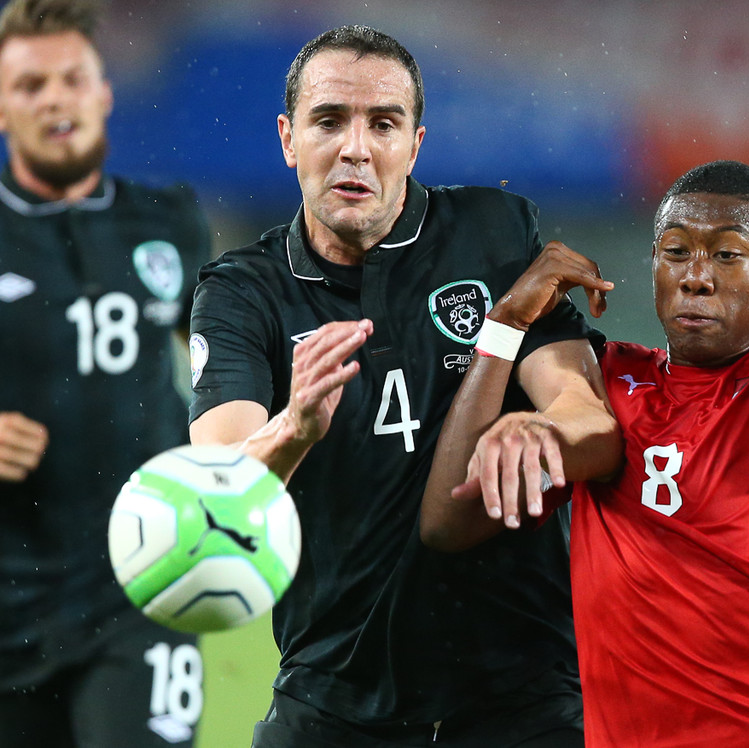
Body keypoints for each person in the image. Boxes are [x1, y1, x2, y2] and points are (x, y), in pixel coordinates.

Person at [187, 24, 621, 748]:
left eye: (383, 124)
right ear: (289, 139)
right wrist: (294, 427)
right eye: (329, 121)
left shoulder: (491, 233)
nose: (355, 148)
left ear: (415, 146)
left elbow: (583, 408)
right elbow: (218, 488)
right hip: (333, 697)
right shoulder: (243, 292)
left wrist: (541, 429)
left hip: (524, 698)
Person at [420, 156, 749, 747]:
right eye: (677, 252)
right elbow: (449, 521)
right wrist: (505, 324)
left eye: (727, 255)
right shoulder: (607, 381)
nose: (696, 277)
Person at [0, 0, 212, 746]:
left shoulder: (170, 220)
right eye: (30, 85)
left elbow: (226, 367)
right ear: (1, 107)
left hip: (143, 584)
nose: (54, 98)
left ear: (103, 92)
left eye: (72, 78)